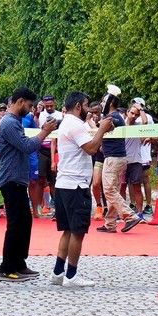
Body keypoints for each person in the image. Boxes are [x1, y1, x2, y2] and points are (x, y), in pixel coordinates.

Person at [43, 90, 105, 287]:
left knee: (68, 231)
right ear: (78, 106)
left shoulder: (67, 123)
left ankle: (58, 272)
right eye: (86, 105)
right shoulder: (75, 125)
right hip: (76, 185)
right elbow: (91, 149)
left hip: (64, 184)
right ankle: (71, 275)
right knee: (77, 232)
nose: (89, 110)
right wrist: (102, 129)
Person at [0, 88, 42, 281]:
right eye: (29, 105)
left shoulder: (15, 121)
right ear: (20, 101)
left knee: (24, 222)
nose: (30, 110)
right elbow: (27, 146)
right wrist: (45, 132)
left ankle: (19, 264)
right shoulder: (9, 123)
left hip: (17, 180)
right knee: (15, 224)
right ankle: (6, 268)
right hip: (10, 180)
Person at [97, 91, 136, 232]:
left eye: (104, 101)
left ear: (111, 103)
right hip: (119, 158)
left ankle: (130, 216)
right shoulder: (116, 116)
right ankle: (110, 224)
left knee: (108, 191)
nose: (102, 104)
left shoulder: (112, 117)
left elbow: (110, 124)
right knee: (113, 191)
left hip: (113, 159)